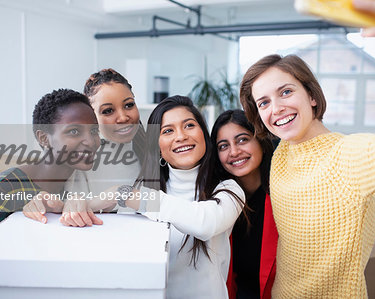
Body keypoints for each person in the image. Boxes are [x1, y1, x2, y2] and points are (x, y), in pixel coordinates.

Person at [238, 1, 375, 298]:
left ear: (310, 95)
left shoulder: (346, 156)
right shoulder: (282, 151)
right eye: (264, 102)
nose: (277, 108)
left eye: (285, 91)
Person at [67, 95, 246, 299]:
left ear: (204, 135)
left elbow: (205, 223)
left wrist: (122, 193)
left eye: (189, 125)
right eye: (168, 131)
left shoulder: (228, 190)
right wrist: (76, 204)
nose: (180, 136)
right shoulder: (143, 192)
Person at [0, 89, 102, 244]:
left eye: (94, 131)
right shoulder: (3, 190)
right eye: (74, 131)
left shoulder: (77, 182)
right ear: (44, 138)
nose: (91, 142)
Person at [61, 68, 146, 223]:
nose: (123, 117)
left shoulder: (149, 147)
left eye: (128, 105)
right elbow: (72, 210)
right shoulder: (81, 157)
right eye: (108, 111)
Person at [211, 109, 277, 299]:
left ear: (261, 141)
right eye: (223, 146)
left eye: (242, 140)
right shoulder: (217, 202)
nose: (234, 152)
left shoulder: (284, 197)